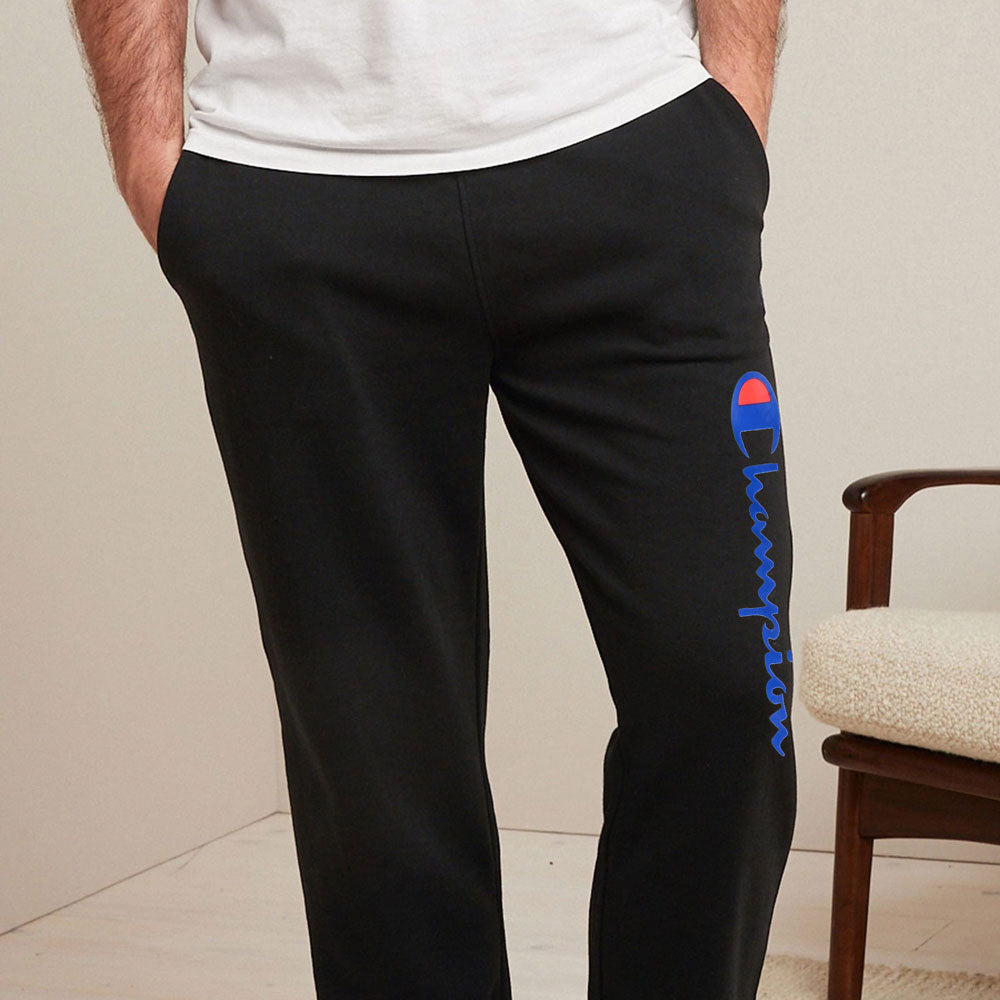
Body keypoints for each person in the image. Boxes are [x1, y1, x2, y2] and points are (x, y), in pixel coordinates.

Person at [68, 0, 795, 996]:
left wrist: (734, 105)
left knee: (729, 687)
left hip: (637, 145)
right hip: (299, 183)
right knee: (380, 771)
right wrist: (149, 151)